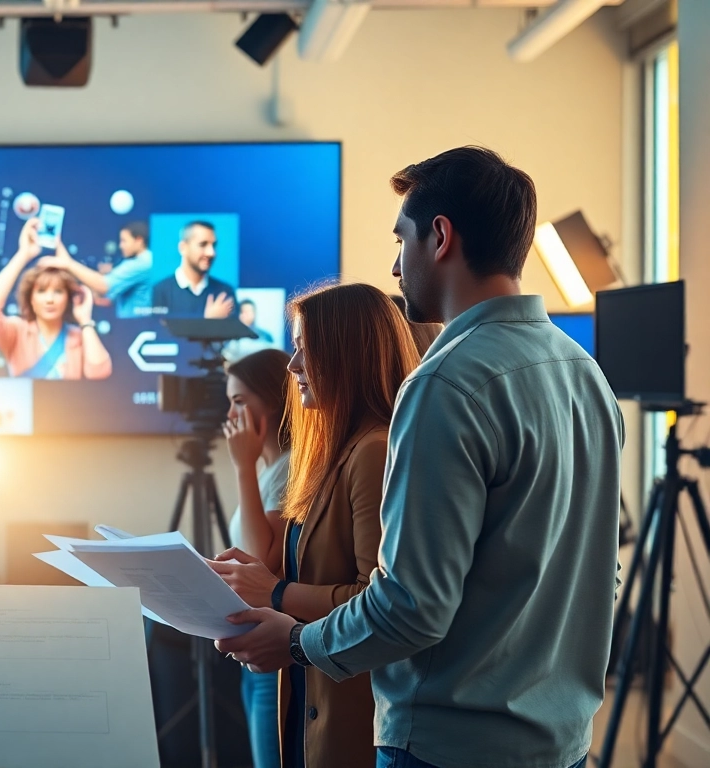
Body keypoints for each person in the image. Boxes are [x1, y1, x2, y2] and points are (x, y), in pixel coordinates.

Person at [217, 147, 625, 768]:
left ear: (439, 237)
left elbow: (411, 608)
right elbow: (600, 573)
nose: (394, 264)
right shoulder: (585, 374)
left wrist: (298, 642)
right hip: (561, 744)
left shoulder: (446, 384)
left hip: (448, 747)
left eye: (401, 239)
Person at [213, 284, 420, 768]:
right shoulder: (337, 454)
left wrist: (277, 591)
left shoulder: (372, 450)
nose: (293, 365)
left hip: (349, 704)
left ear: (347, 354)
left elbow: (378, 600)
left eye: (308, 347)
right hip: (316, 688)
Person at [220, 348, 293, 768]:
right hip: (250, 646)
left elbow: (257, 562)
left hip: (274, 648)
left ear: (272, 401)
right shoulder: (270, 470)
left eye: (240, 401)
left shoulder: (288, 469)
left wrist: (243, 467)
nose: (230, 413)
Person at [0, 218, 112, 380]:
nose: (50, 299)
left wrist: (85, 321)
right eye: (41, 291)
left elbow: (99, 374)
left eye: (58, 291)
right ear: (31, 298)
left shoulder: (78, 336)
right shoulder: (16, 330)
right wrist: (23, 254)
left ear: (68, 298)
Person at [39, 220, 154, 318]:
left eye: (124, 241)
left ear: (139, 240)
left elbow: (104, 286)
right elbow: (104, 299)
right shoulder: (141, 261)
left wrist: (68, 263)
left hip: (140, 325)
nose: (121, 246)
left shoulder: (145, 262)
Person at [150, 220, 237, 318]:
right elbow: (160, 331)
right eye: (203, 244)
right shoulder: (160, 291)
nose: (211, 253)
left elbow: (233, 332)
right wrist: (209, 322)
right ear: (183, 248)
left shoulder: (224, 292)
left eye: (214, 245)